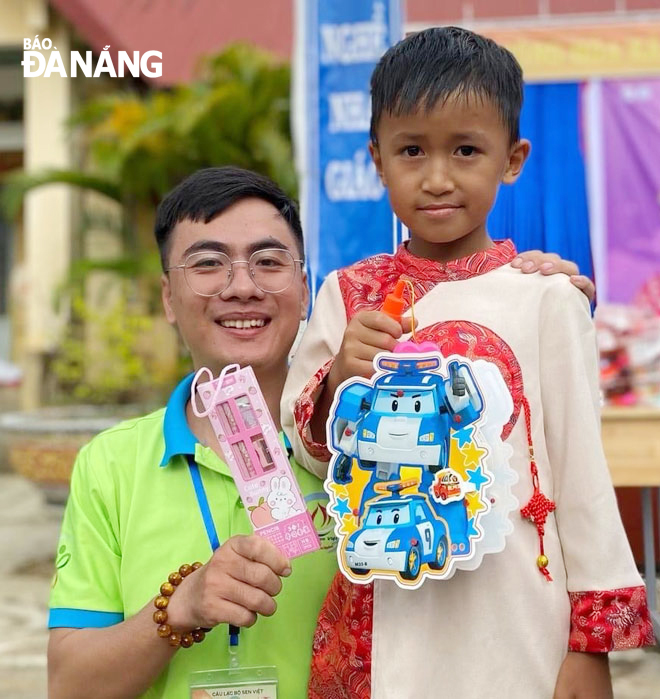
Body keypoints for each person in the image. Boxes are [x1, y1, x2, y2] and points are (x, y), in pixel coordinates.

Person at [47, 166, 595, 699]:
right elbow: (70, 685)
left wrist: (520, 292)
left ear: (307, 288)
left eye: (268, 261)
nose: (243, 287)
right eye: (208, 264)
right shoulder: (110, 465)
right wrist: (179, 607)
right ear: (168, 296)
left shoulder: (384, 435)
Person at [280, 28, 654, 699]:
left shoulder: (547, 298)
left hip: (519, 617)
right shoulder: (347, 294)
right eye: (412, 150)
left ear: (512, 160)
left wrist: (588, 645)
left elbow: (583, 481)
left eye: (466, 150)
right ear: (377, 159)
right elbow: (305, 452)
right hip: (386, 617)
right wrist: (340, 377)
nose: (438, 177)